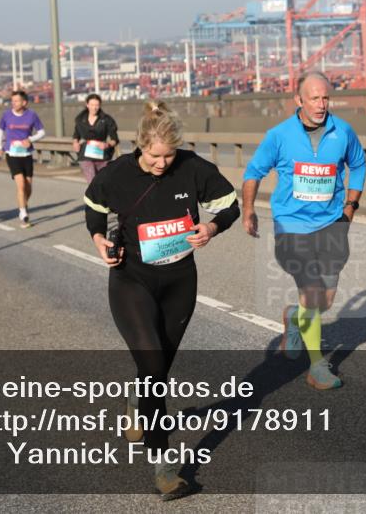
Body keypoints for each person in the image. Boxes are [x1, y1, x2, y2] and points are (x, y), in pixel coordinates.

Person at [84, 101, 239, 500]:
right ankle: (163, 465)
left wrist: (211, 227)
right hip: (131, 279)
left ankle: (138, 404)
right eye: (154, 155)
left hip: (179, 281)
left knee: (159, 368)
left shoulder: (192, 167)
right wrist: (100, 240)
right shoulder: (117, 174)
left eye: (169, 155)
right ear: (140, 147)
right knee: (153, 366)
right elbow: (94, 207)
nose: (162, 163)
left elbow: (229, 204)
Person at [242, 71, 366, 390]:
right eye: (314, 98)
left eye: (325, 97)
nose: (321, 104)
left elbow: (359, 165)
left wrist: (351, 205)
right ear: (298, 100)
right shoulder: (279, 135)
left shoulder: (343, 131)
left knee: (325, 299)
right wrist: (248, 210)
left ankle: (294, 318)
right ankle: (317, 367)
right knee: (312, 293)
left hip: (331, 225)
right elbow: (254, 172)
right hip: (291, 228)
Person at [0, 90, 45, 228]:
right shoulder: (6, 115)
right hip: (12, 153)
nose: (14, 103)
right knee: (21, 184)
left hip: (26, 154)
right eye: (12, 101)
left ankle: (23, 204)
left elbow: (42, 132)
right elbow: (0, 131)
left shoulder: (31, 115)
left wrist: (30, 139)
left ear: (24, 102)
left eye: (17, 101)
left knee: (28, 187)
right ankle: (23, 213)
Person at [71, 93, 119, 182]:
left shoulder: (106, 119)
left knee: (102, 182)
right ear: (87, 105)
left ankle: (100, 195)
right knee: (93, 182)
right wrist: (75, 142)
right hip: (85, 154)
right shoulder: (80, 119)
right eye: (92, 105)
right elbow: (76, 134)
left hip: (102, 154)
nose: (94, 107)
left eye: (97, 105)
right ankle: (93, 194)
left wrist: (107, 144)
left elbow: (115, 139)